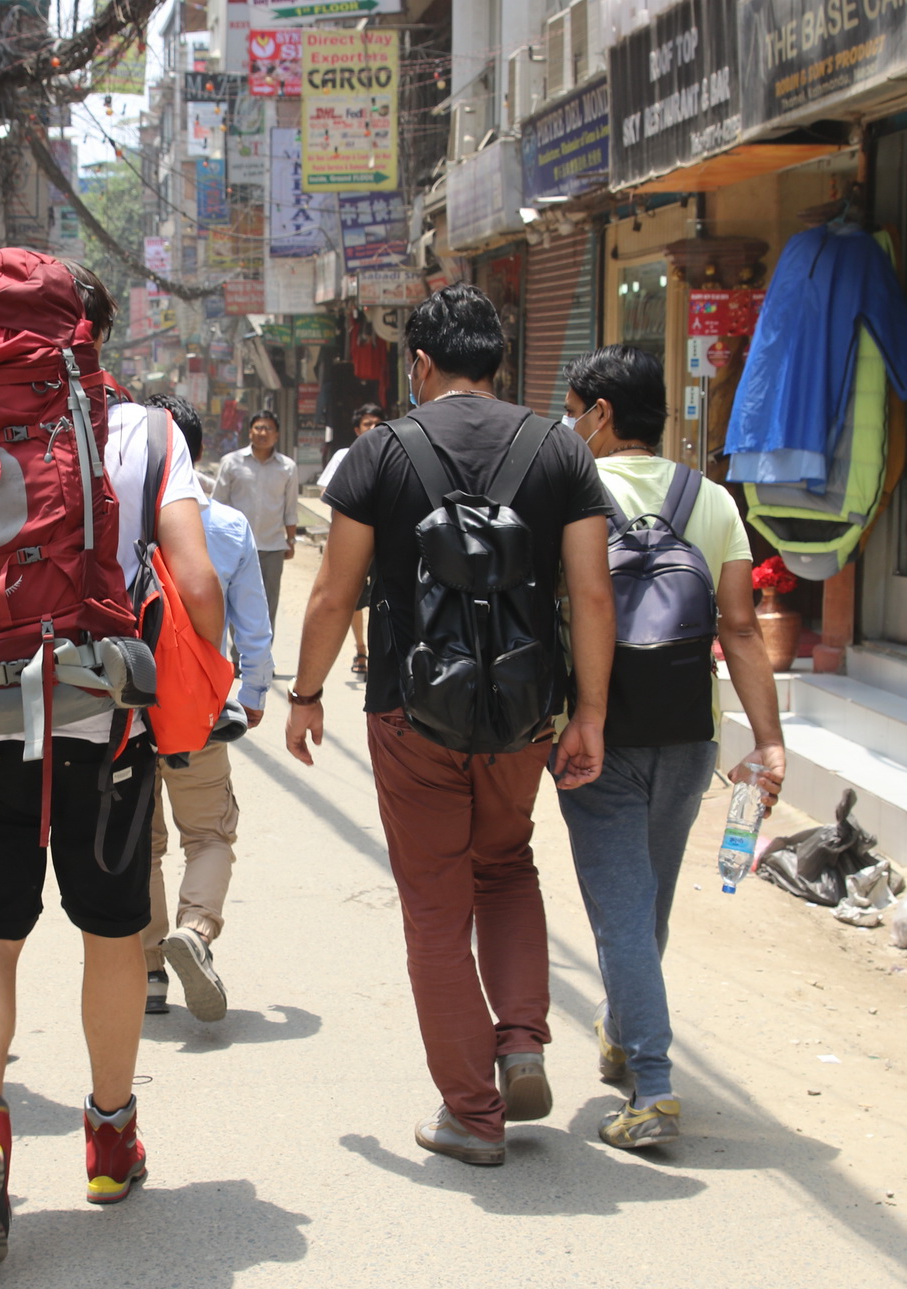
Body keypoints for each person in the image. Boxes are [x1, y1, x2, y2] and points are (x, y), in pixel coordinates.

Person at [0, 263, 224, 1267]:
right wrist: (196, 690)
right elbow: (194, 578)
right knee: (111, 929)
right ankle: (107, 1136)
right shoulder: (146, 433)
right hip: (104, 722)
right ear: (96, 334)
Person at [286, 285, 617, 1167]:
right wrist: (588, 713)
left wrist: (307, 692)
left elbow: (332, 594)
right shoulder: (560, 449)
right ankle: (520, 1041)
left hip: (411, 707)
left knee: (436, 908)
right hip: (524, 712)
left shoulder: (379, 454)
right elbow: (590, 592)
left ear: (420, 365)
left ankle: (472, 1112)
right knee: (507, 864)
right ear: (500, 364)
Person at [557, 346, 787, 1150]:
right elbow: (741, 629)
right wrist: (770, 742)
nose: (568, 421)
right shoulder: (713, 500)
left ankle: (651, 1085)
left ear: (602, 413)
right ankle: (622, 1029)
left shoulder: (571, 489)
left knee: (621, 909)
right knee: (644, 901)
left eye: (574, 406)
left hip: (596, 730)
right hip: (690, 732)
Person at [139, 393, 274, 1022]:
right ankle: (194, 930)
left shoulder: (115, 521)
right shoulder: (225, 527)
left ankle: (149, 976)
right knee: (209, 833)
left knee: (142, 843)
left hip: (126, 712)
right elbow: (252, 625)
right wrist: (251, 697)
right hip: (196, 709)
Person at [213, 408, 302, 631]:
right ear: (250, 432)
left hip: (272, 547)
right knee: (235, 600)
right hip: (236, 547)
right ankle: (237, 658)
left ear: (277, 434)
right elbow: (218, 504)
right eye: (258, 427)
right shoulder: (231, 462)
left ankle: (262, 660)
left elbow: (290, 509)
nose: (263, 432)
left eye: (268, 428)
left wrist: (290, 541)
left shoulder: (287, 467)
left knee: (268, 602)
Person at [317, 402, 385, 678]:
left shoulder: (393, 451)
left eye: (377, 423)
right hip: (353, 539)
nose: (372, 428)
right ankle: (361, 649)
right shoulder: (346, 455)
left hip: (385, 539)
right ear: (357, 429)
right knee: (352, 596)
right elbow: (327, 489)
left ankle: (382, 653)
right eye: (367, 424)